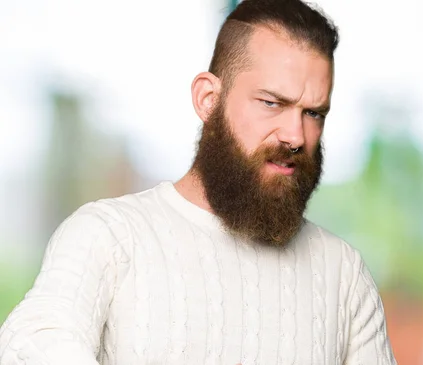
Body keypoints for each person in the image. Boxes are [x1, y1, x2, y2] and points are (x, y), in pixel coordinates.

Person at [0, 0, 397, 364]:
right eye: (272, 103)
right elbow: (32, 339)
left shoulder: (344, 274)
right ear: (208, 98)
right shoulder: (109, 236)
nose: (295, 135)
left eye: (314, 113)